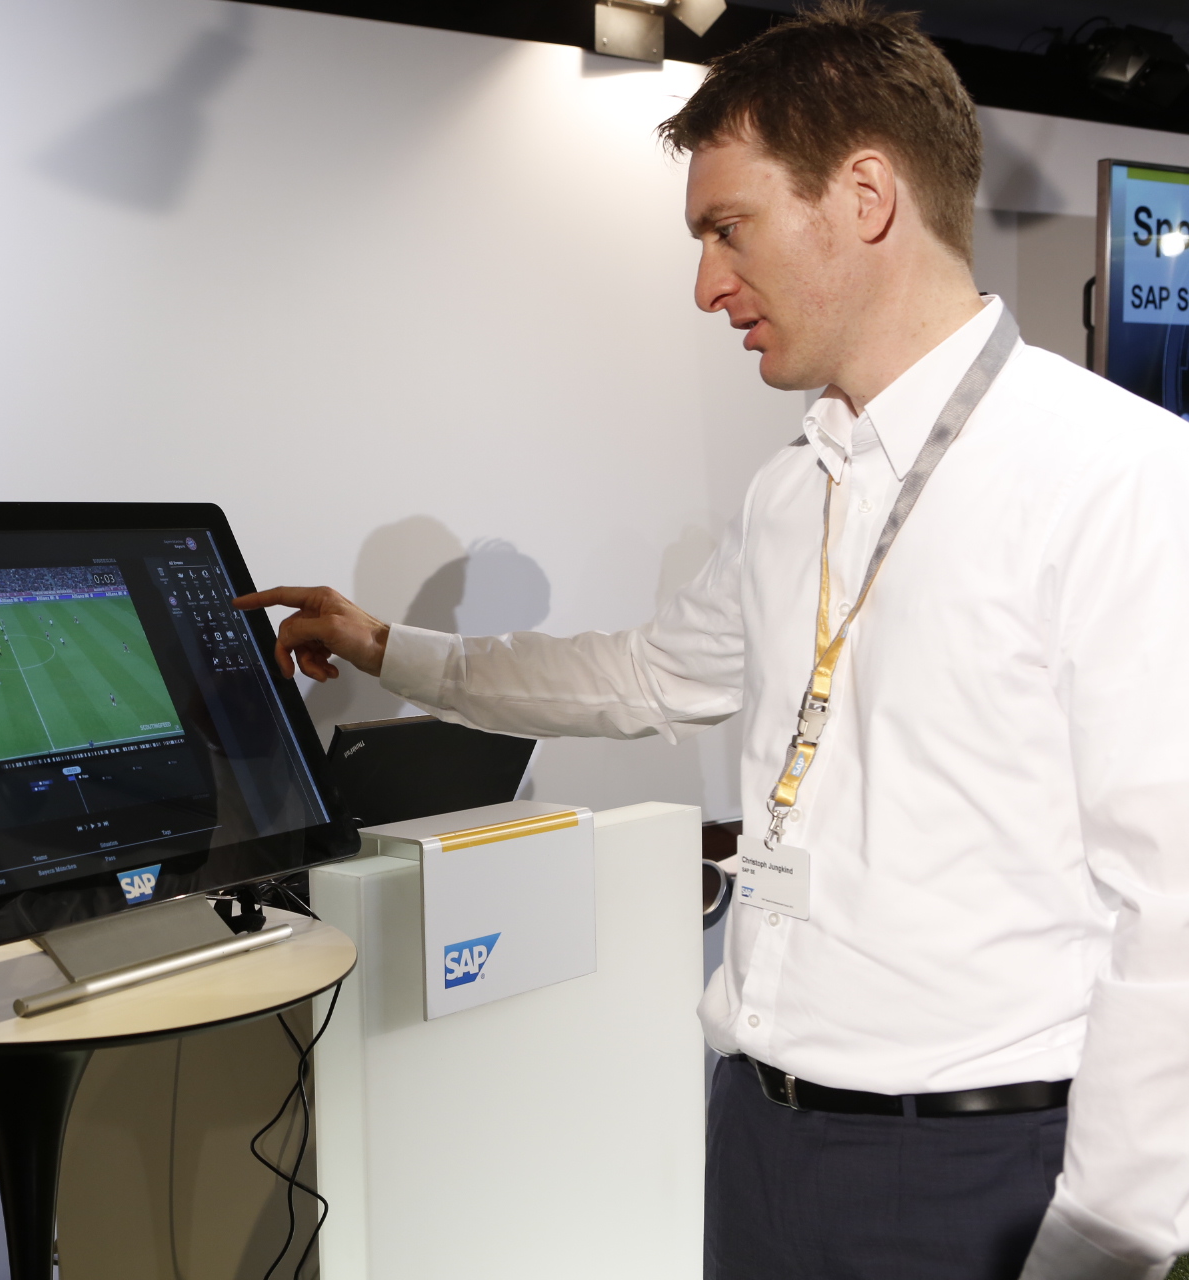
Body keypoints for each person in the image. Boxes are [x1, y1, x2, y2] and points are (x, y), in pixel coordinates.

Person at [236, 7, 1189, 1280]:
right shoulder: (795, 488)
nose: (706, 285)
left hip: (978, 1175)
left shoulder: (1121, 478)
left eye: (727, 228)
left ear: (864, 198)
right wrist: (389, 646)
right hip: (757, 1134)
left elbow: (1173, 906)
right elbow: (640, 673)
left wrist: (1107, 1240)